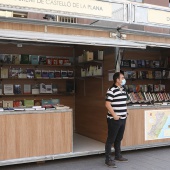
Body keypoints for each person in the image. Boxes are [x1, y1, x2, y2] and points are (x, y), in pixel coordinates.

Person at [105, 72, 128, 168]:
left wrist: (126, 112)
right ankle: (108, 159)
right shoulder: (111, 90)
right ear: (117, 80)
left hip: (123, 118)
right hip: (114, 119)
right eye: (122, 78)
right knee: (111, 139)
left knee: (119, 138)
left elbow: (124, 102)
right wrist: (114, 115)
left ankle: (118, 155)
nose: (124, 79)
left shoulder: (123, 89)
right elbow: (107, 104)